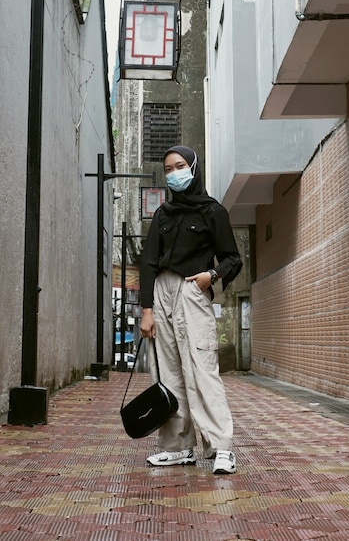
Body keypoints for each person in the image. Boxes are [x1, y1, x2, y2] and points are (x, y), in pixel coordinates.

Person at [139, 145, 242, 474]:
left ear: (193, 168)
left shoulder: (213, 211)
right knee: (167, 373)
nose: (173, 173)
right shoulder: (162, 214)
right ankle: (177, 447)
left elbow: (232, 259)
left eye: (179, 166)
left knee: (201, 368)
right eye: (168, 169)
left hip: (192, 290)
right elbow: (148, 264)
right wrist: (146, 310)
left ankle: (221, 447)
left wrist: (210, 276)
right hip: (161, 293)